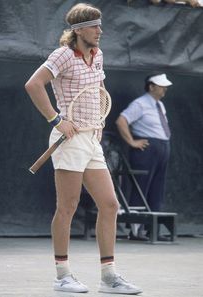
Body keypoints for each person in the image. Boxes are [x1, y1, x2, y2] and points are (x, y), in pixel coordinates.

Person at [25, 3, 142, 295]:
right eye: (94, 26)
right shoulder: (62, 55)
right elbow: (33, 84)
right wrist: (56, 119)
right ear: (78, 30)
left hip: (91, 139)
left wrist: (98, 124)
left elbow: (98, 89)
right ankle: (63, 275)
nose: (100, 31)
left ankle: (109, 277)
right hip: (69, 139)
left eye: (100, 25)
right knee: (67, 207)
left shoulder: (98, 55)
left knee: (110, 204)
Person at [116, 73, 172, 241]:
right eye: (161, 86)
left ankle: (151, 230)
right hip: (146, 150)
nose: (165, 89)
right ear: (151, 86)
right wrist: (132, 142)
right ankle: (135, 231)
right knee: (141, 188)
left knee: (157, 189)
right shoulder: (140, 104)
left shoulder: (160, 105)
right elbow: (121, 121)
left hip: (162, 148)